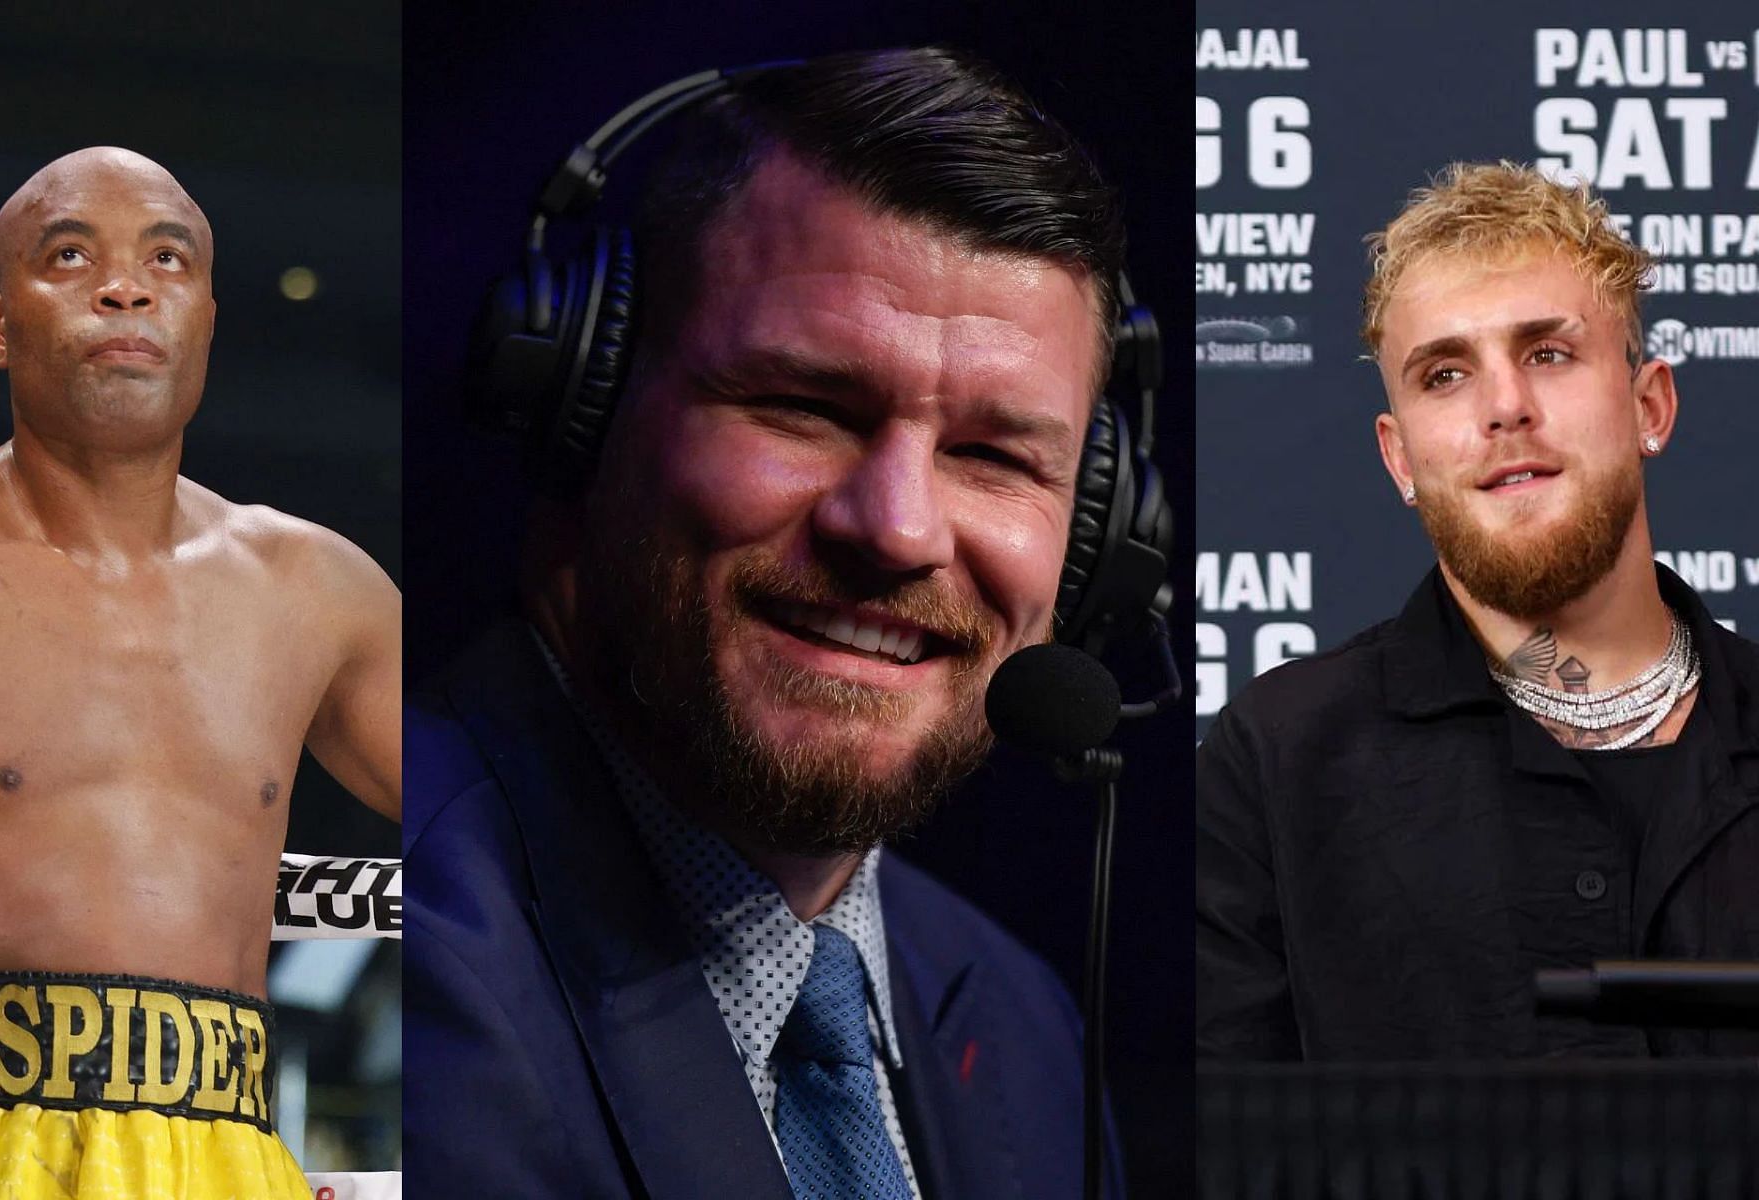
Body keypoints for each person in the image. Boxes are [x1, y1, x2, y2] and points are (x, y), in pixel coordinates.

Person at [405, 49, 1138, 1198]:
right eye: (802, 406)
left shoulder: (1027, 1028)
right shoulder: (366, 948)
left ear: (1093, 541)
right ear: (586, 410)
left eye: (994, 457)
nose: (896, 531)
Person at [0, 147, 401, 1196]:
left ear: (208, 321)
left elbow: (518, 826)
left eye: (167, 258)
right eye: (69, 254)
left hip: (235, 1154)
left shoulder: (322, 592)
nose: (126, 285)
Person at [1197, 162, 1759, 1060]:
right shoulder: (1275, 759)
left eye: (1548, 353)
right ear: (1401, 461)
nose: (1506, 408)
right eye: (1446, 374)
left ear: (1650, 404)